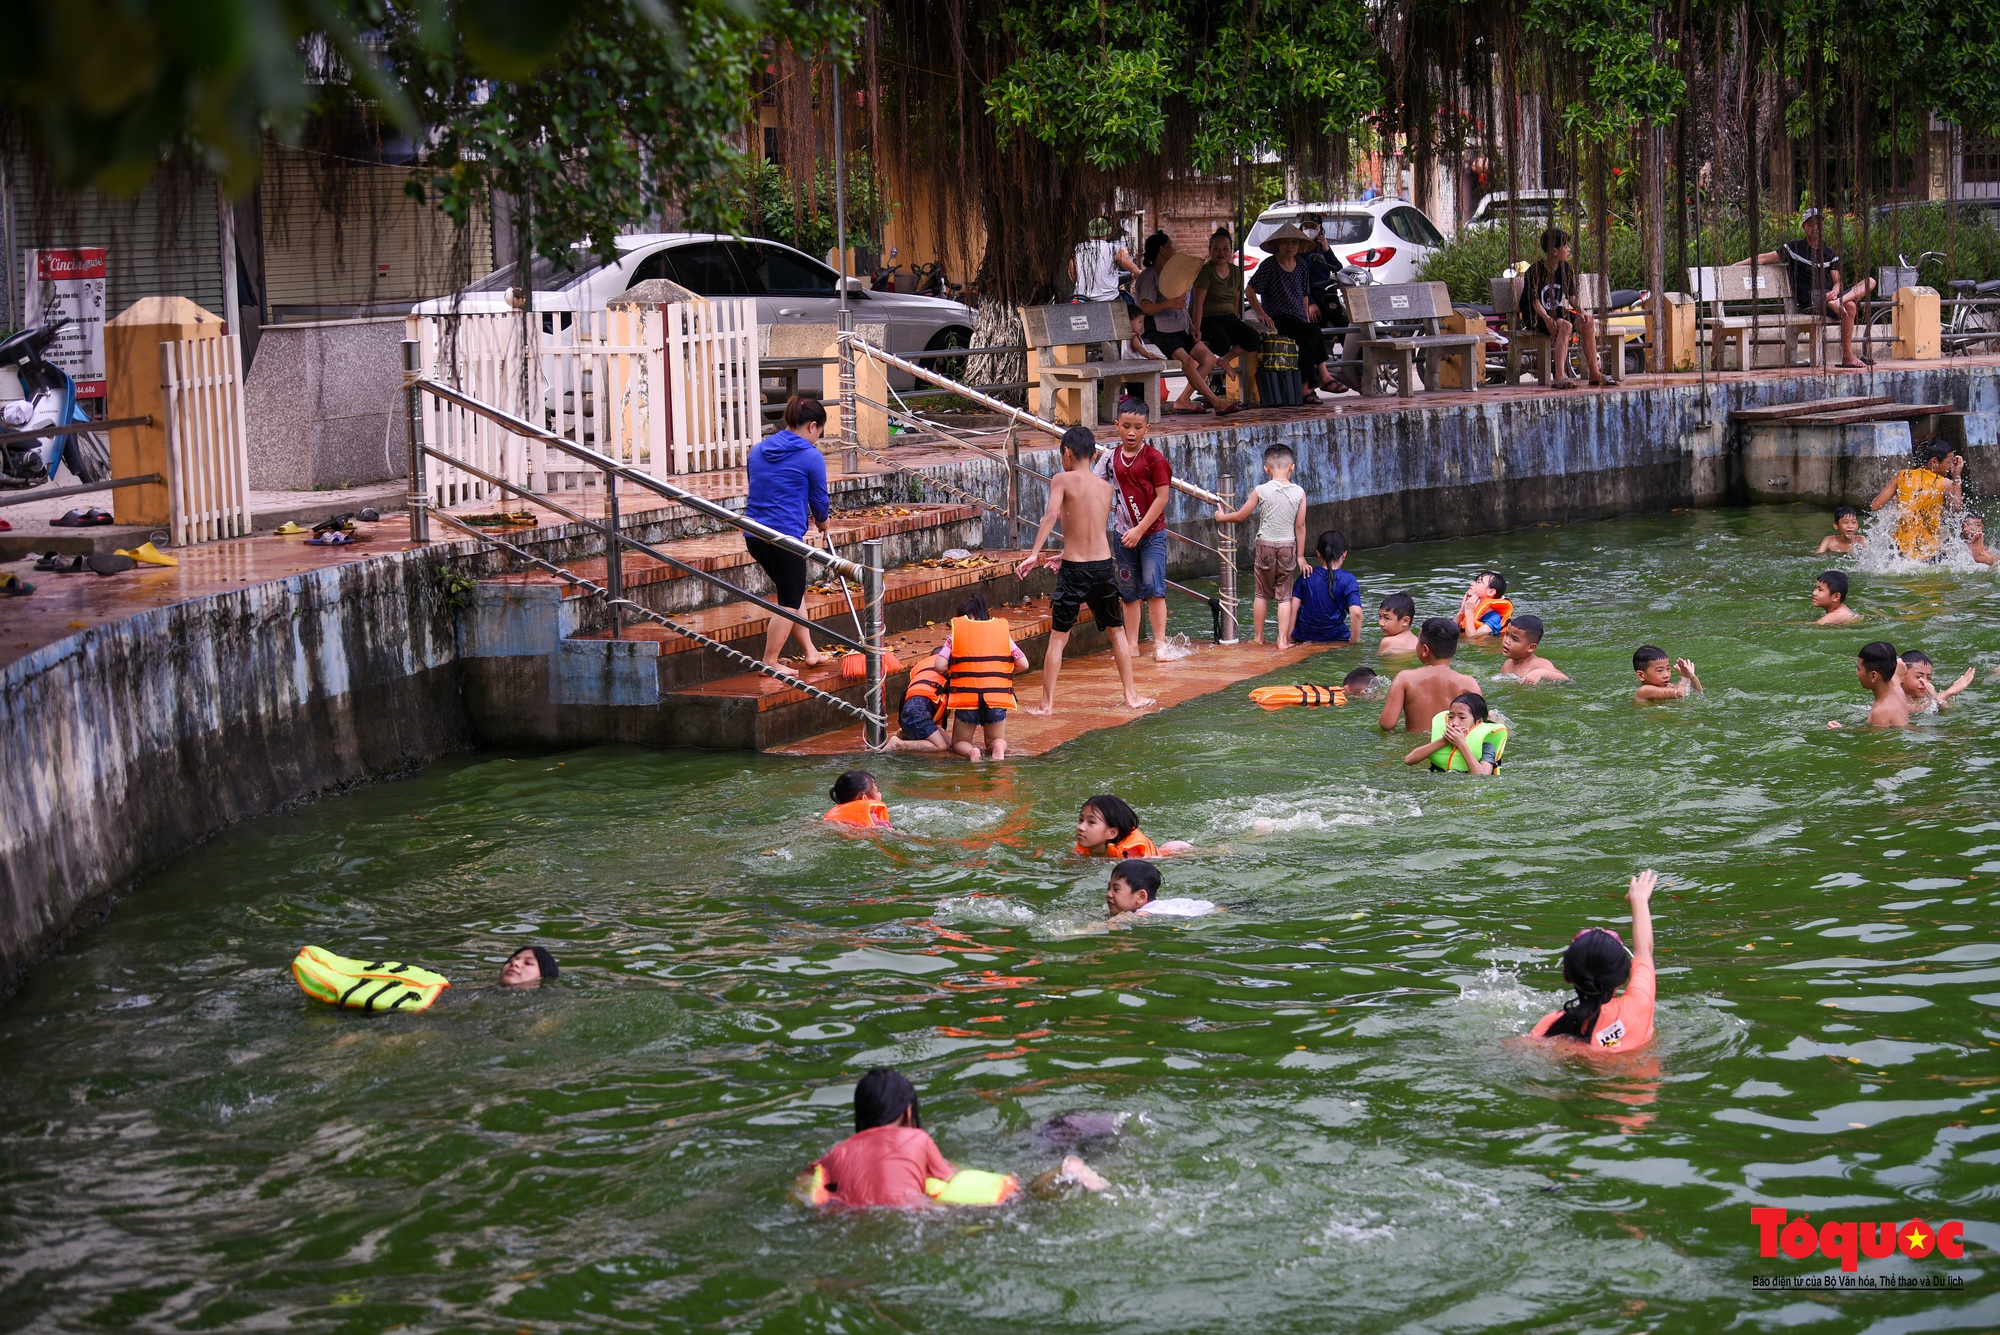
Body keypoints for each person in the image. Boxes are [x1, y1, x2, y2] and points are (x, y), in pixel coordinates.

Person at [1016, 428, 1152, 713]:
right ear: (1092, 454)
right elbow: (1090, 529)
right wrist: (1064, 554)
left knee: (1058, 637)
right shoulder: (1106, 488)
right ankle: (1131, 695)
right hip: (1102, 566)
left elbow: (1050, 516)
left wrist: (1034, 554)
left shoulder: (1061, 479)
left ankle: (1047, 703)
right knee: (1116, 632)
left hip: (1075, 570)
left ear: (1067, 452)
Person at [744, 396, 831, 672]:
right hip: (784, 540)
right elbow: (819, 498)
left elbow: (759, 485)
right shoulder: (810, 456)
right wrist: (822, 521)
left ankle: (810, 652)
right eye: (819, 432)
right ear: (813, 426)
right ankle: (770, 661)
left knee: (792, 593)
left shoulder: (758, 450)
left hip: (754, 535)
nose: (817, 438)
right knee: (790, 601)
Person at [1529, 870, 1658, 1052]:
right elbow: (1644, 951)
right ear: (1624, 975)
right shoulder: (1639, 1005)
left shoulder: (1553, 1025)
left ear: (1567, 976)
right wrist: (1639, 899)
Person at [1739, 207, 1875, 369]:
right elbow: (1762, 258)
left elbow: (1837, 280)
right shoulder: (1794, 248)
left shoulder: (1829, 253)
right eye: (1810, 224)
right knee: (1851, 306)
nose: (1815, 227)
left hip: (1830, 296)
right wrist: (1732, 267)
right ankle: (1848, 356)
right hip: (1810, 298)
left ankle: (1839, 302)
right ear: (1804, 227)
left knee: (1870, 281)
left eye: (1818, 223)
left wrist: (1837, 290)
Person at [1105, 401, 1180, 661]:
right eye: (1126, 426)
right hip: (1123, 534)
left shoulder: (1154, 459)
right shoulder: (1110, 458)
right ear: (1117, 426)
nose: (1131, 432)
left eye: (1138, 427)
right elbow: (1098, 487)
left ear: (1147, 428)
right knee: (1129, 591)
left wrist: (1139, 529)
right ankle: (1132, 645)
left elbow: (1162, 498)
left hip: (1151, 534)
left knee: (1154, 587)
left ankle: (1160, 644)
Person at [1134, 231, 1238, 415]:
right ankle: (1216, 402)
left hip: (1180, 327)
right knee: (1188, 362)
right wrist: (1170, 303)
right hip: (1159, 331)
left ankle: (1183, 399)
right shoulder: (1149, 276)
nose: (1174, 249)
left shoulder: (1173, 274)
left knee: (1209, 359)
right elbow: (1146, 308)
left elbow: (1181, 305)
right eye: (1171, 246)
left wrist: (1191, 325)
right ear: (1162, 250)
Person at [1213, 445, 1308, 647]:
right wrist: (1300, 556)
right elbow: (1300, 525)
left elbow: (1240, 515)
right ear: (1292, 467)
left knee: (1261, 593)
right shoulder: (1299, 492)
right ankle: (1282, 640)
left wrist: (1222, 516)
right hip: (1287, 545)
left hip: (1265, 544)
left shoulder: (1261, 490)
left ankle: (1258, 637)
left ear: (1266, 468)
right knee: (1284, 596)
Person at [1245, 222, 1334, 401]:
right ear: (1278, 244)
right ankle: (1324, 376)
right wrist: (1262, 314)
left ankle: (1305, 389)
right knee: (1313, 332)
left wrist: (1305, 316)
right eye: (1286, 242)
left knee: (1307, 340)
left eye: (1294, 242)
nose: (1290, 246)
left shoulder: (1301, 265)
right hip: (1277, 317)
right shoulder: (1269, 265)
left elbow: (1304, 294)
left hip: (1298, 318)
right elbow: (1250, 290)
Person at [937, 593, 1027, 762]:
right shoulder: (1002, 636)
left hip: (967, 700)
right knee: (995, 739)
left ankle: (972, 753)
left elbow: (939, 665)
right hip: (995, 699)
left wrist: (958, 668)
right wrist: (1000, 671)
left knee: (960, 742)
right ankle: (998, 747)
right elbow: (1024, 663)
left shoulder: (954, 637)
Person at [1521, 227, 1603, 389]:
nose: (1569, 249)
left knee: (1586, 324)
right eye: (1565, 246)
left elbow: (1571, 297)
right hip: (1536, 315)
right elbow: (1535, 301)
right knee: (1566, 325)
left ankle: (1594, 373)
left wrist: (1583, 312)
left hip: (1555, 312)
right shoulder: (1534, 271)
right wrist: (1547, 319)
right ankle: (1559, 375)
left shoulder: (1565, 269)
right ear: (1554, 251)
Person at [1190, 227, 1263, 395]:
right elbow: (1198, 303)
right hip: (1208, 318)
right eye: (1216, 248)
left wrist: (1236, 322)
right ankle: (1214, 380)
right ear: (1209, 251)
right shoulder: (1206, 272)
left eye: (1225, 248)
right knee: (1221, 340)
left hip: (1228, 317)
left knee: (1252, 338)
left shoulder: (1236, 272)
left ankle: (1224, 361)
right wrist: (1197, 328)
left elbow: (1237, 300)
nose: (1221, 252)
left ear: (1231, 251)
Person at [1379, 617, 1482, 733]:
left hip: (1415, 749)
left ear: (1425, 649)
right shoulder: (1469, 683)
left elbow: (1387, 724)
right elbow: (1480, 726)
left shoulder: (1405, 679)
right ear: (1455, 648)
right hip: (1451, 748)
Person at [1869, 439, 1964, 562]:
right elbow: (1956, 510)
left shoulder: (1903, 475)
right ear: (1934, 461)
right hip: (1928, 551)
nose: (1951, 466)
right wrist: (1956, 477)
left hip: (1898, 551)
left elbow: (1875, 506)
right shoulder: (1944, 483)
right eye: (1949, 462)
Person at [1403, 690, 1507, 775]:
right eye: (1451, 717)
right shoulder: (1441, 737)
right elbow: (1409, 760)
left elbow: (1482, 777)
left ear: (1478, 722)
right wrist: (1444, 741)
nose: (1454, 723)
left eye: (1462, 717)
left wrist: (1461, 744)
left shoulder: (1486, 746)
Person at [1292, 529, 1365, 646]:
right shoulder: (1348, 579)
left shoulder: (1306, 575)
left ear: (1318, 553)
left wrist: (1291, 637)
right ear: (1344, 554)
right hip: (1337, 638)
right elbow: (1356, 613)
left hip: (1304, 637)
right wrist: (1354, 641)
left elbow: (1293, 607)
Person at [1074, 794, 1193, 857]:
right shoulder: (1087, 849)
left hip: (1175, 854)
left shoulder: (1129, 857)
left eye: (1091, 822)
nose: (1081, 827)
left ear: (1112, 833)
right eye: (1080, 820)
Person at [1828, 640, 1912, 730]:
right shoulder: (1898, 690)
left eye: (1859, 669)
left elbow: (1876, 740)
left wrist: (1843, 729)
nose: (1857, 673)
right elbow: (1896, 674)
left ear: (1873, 676)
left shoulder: (1881, 711)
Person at [1104, 858, 1217, 919]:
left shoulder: (1143, 913)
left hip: (1209, 911)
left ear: (1141, 896)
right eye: (1109, 888)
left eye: (1116, 889)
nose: (1109, 894)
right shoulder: (1152, 907)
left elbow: (1122, 919)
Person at [882, 658, 952, 754]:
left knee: (949, 745)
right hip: (919, 712)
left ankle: (901, 734)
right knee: (941, 747)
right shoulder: (950, 671)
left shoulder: (923, 668)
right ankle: (898, 744)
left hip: (908, 711)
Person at [1069, 217, 1141, 304]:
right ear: (1107, 233)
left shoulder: (1079, 248)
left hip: (1083, 298)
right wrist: (1139, 272)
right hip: (1109, 299)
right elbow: (1131, 267)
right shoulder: (1113, 248)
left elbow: (1072, 271)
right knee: (1132, 310)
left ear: (1089, 234)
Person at [1897, 649, 1975, 713]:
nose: (1925, 682)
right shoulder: (1894, 697)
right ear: (1900, 676)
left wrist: (1939, 699)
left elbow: (1949, 711)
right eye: (1919, 676)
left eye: (1929, 677)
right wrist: (1948, 692)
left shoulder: (1926, 696)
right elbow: (1914, 711)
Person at [1497, 615, 1569, 683]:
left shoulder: (1538, 664)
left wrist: (1541, 673)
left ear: (1531, 647)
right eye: (1507, 634)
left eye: (1514, 639)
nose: (1507, 641)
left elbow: (1565, 679)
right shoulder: (1507, 665)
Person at [1632, 645, 1702, 703]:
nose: (1667, 675)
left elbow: (1697, 691)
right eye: (1659, 670)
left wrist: (1692, 676)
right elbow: (1680, 692)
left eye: (1668, 669)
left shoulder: (1667, 686)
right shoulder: (1644, 691)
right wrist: (1685, 676)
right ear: (1641, 675)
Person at [824, 770, 892, 828]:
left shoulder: (834, 820)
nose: (880, 794)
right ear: (865, 798)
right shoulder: (879, 824)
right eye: (877, 791)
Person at [1457, 571, 1512, 640]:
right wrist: (1461, 612)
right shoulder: (1471, 606)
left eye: (1478, 582)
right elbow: (1447, 630)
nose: (1472, 584)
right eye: (1474, 581)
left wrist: (1469, 612)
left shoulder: (1494, 618)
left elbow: (1472, 640)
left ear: (1491, 592)